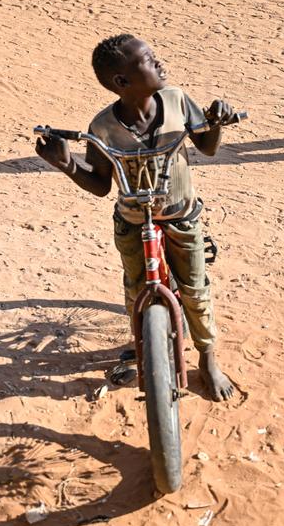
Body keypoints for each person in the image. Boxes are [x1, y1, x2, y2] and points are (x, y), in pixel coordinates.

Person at [34, 35, 239, 401]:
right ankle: (144, 338)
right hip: (132, 221)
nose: (159, 63)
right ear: (122, 83)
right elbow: (99, 184)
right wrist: (66, 164)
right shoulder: (103, 128)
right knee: (136, 289)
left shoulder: (176, 101)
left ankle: (208, 359)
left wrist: (216, 120)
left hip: (181, 216)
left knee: (195, 288)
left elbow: (207, 147)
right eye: (148, 60)